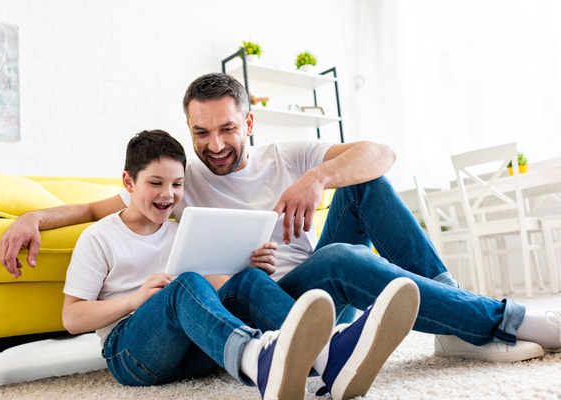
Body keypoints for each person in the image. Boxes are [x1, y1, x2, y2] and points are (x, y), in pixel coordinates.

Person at [0, 73, 561, 367]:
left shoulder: (289, 156)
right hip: (266, 296)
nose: (214, 145)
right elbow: (101, 208)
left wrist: (317, 179)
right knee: (340, 259)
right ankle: (501, 319)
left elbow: (382, 153)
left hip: (317, 287)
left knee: (365, 182)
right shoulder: (178, 183)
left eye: (226, 129)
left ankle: (453, 309)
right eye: (201, 133)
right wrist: (34, 217)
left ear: (248, 120)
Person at [61, 129, 422, 400]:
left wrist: (250, 271)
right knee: (183, 284)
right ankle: (257, 359)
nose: (167, 194)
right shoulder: (100, 237)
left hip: (189, 351)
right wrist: (133, 300)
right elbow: (72, 318)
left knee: (241, 279)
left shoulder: (180, 231)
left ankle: (330, 355)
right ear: (128, 182)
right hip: (129, 353)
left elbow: (216, 287)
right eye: (155, 183)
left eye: (176, 184)